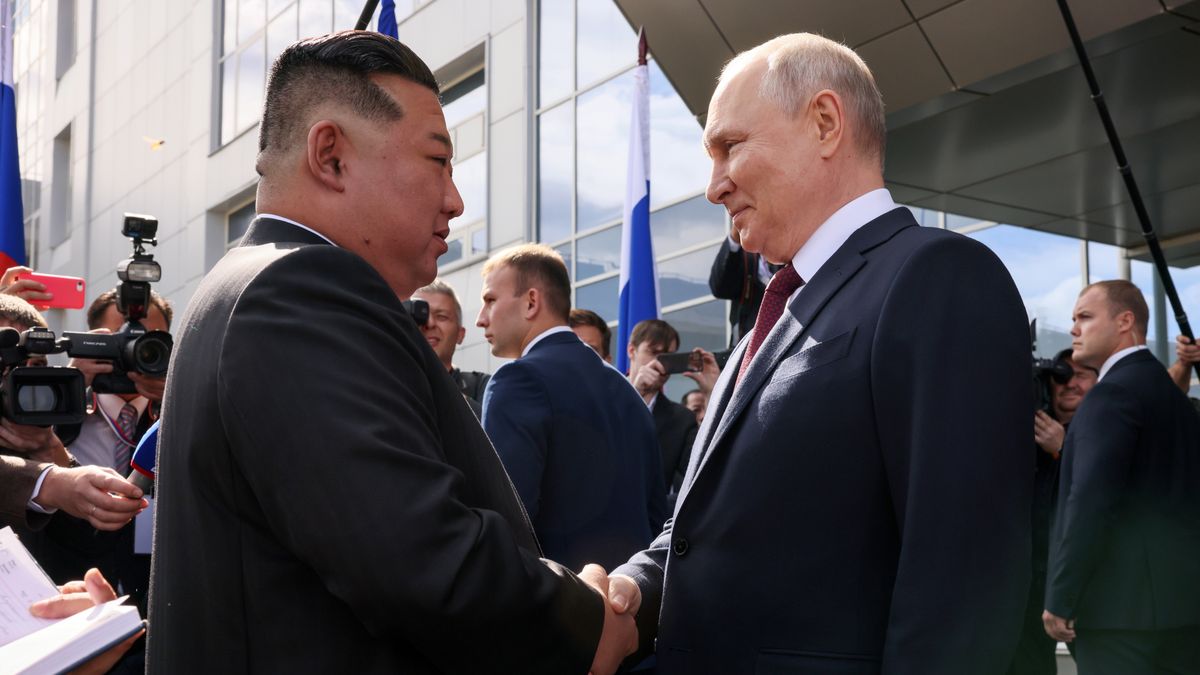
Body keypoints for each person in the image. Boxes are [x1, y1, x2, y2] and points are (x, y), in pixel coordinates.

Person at [146, 32, 633, 674]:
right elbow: (424, 560)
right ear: (332, 156)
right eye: (438, 161)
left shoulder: (251, 286)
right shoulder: (300, 292)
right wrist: (586, 624)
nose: (456, 201)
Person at [597, 33, 1033, 673]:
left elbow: (963, 585)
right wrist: (634, 589)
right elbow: (705, 533)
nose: (714, 186)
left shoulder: (937, 277)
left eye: (729, 146)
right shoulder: (758, 334)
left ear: (825, 123)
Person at [476, 245, 666, 570]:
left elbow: (506, 523)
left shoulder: (518, 380)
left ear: (531, 302)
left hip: (558, 609)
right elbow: (655, 517)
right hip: (633, 604)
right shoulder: (627, 392)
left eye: (490, 300)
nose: (481, 319)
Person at [1044, 280, 1200, 673]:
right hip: (1185, 612)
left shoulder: (1112, 394)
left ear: (1125, 321)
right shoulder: (1171, 398)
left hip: (1119, 617)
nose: (1074, 329)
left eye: (1085, 317)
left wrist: (1062, 595)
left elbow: (1090, 500)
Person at [0, 294, 146, 532]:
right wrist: (48, 482)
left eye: (35, 364)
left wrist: (48, 448)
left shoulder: (46, 436)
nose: (17, 379)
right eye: (3, 363)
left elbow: (86, 540)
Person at [1010, 350, 1097, 675]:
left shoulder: (1109, 429)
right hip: (1029, 587)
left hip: (1084, 591)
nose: (1069, 384)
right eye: (1061, 376)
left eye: (1081, 375)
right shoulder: (1026, 437)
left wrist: (1064, 448)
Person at [625, 319, 700, 506]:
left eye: (668, 356)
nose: (660, 363)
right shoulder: (603, 399)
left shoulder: (681, 419)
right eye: (653, 352)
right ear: (631, 351)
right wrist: (636, 395)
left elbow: (703, 474)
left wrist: (713, 392)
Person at [411, 278, 489, 416]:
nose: (429, 324)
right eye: (421, 316)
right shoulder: (390, 384)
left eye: (441, 317)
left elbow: (491, 430)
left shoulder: (483, 386)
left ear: (460, 334)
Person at [709, 235, 776, 344]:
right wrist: (734, 238)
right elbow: (719, 288)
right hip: (750, 341)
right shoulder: (744, 254)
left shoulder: (788, 244)